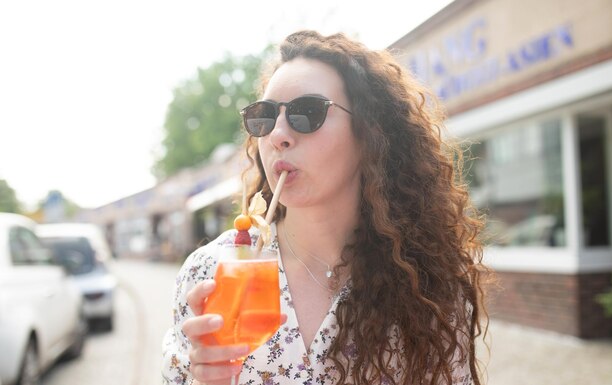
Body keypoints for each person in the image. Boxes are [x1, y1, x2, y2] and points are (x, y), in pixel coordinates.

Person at [162, 30, 490, 385]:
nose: (277, 135)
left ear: (369, 135)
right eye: (266, 116)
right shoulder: (209, 273)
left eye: (307, 113)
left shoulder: (425, 286)